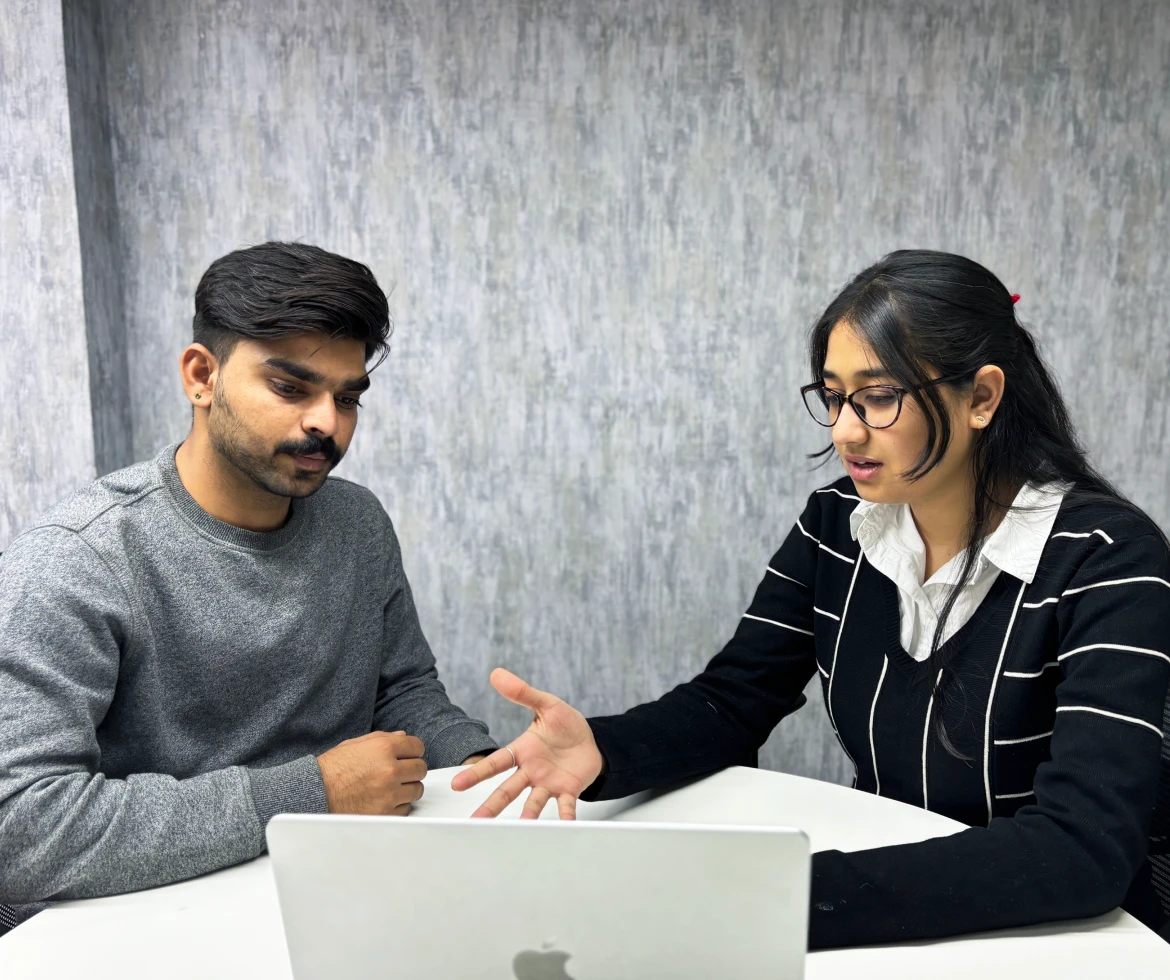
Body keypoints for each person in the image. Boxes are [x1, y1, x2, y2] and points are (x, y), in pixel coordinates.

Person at [453, 249, 1170, 948]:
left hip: (1070, 940)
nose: (845, 430)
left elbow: (1082, 847)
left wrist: (784, 894)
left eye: (879, 397)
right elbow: (734, 700)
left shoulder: (1109, 556)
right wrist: (603, 748)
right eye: (833, 397)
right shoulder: (838, 523)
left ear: (981, 397)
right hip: (902, 917)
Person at [0, 242, 495, 927]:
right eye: (291, 388)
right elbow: (22, 832)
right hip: (136, 920)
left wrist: (486, 771)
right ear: (202, 376)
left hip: (330, 887)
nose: (326, 422)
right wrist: (311, 794)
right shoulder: (76, 560)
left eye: (347, 398)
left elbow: (401, 691)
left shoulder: (358, 524)